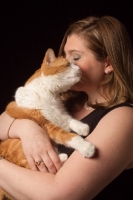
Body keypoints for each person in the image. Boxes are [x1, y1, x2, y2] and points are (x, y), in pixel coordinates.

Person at [0, 15, 133, 200]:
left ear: (108, 64)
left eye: (76, 57)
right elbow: (3, 119)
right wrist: (27, 128)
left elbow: (59, 196)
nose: (66, 63)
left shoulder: (123, 118)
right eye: (65, 56)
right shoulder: (67, 100)